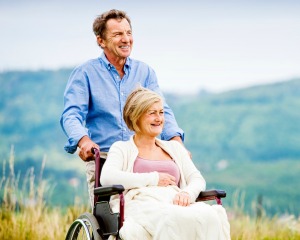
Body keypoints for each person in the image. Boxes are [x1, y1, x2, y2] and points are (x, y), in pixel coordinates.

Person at [60, 9, 184, 206]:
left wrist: (176, 141)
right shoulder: (85, 73)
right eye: (118, 34)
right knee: (109, 224)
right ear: (101, 41)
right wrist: (84, 141)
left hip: (144, 159)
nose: (126, 39)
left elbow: (162, 109)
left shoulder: (144, 72)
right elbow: (71, 114)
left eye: (128, 33)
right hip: (106, 161)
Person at [101, 87, 231, 240]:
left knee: (210, 215)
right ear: (136, 117)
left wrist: (187, 193)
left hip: (174, 201)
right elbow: (107, 177)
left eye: (161, 112)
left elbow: (197, 179)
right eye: (152, 113)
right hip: (141, 203)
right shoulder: (122, 148)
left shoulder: (174, 148)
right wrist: (153, 179)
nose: (159, 118)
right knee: (171, 218)